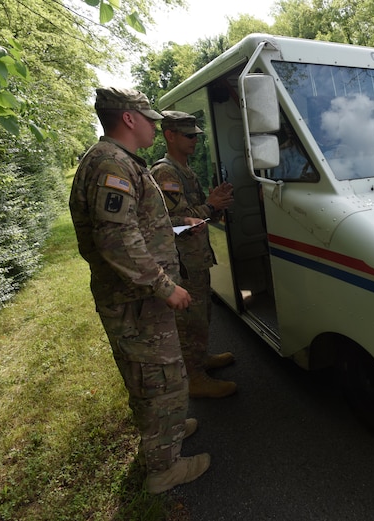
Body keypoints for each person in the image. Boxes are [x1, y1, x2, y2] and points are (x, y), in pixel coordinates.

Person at [68, 88, 209, 494]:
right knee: (157, 379)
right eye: (148, 117)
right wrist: (165, 287)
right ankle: (164, 469)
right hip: (137, 302)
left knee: (154, 378)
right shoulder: (111, 163)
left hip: (137, 299)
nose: (154, 124)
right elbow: (117, 239)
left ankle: (167, 429)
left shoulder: (117, 161)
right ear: (128, 119)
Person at [151, 111, 237, 398]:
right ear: (170, 135)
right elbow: (173, 221)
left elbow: (195, 214)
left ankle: (200, 361)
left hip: (195, 258)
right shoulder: (165, 172)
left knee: (202, 315)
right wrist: (210, 207)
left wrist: (215, 204)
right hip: (182, 263)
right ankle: (194, 379)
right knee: (189, 321)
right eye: (188, 136)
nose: (194, 141)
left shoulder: (184, 170)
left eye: (196, 136)